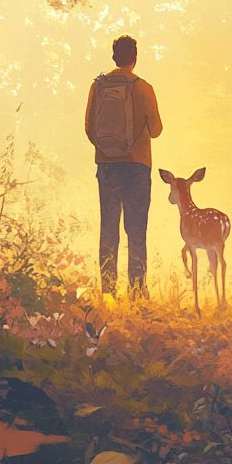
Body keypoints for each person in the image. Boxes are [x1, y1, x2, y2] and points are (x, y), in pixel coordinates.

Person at [84, 34, 162, 297]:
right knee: (136, 230)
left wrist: (107, 149)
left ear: (114, 56)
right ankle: (137, 291)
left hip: (106, 166)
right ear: (135, 58)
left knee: (109, 228)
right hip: (137, 167)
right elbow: (157, 130)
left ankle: (107, 291)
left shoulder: (98, 86)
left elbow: (89, 128)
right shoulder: (143, 88)